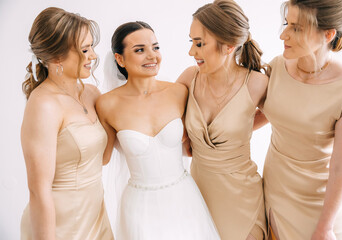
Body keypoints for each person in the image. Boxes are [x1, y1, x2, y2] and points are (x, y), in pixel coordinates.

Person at [96, 21, 220, 240]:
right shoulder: (107, 105)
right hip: (139, 206)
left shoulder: (178, 92)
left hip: (183, 198)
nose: (152, 56)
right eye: (140, 50)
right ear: (120, 59)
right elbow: (102, 159)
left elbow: (193, 144)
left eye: (155, 47)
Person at [254, 0, 342, 239]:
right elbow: (256, 117)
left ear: (328, 34)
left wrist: (326, 227)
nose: (283, 34)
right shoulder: (277, 68)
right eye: (286, 23)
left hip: (322, 206)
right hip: (276, 195)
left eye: (296, 28)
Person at [176, 0, 270, 239]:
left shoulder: (256, 83)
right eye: (192, 42)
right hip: (197, 195)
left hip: (242, 199)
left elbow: (282, 117)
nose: (191, 52)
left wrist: (244, 127)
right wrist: (185, 136)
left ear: (228, 46)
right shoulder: (188, 78)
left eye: (199, 43)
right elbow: (166, 118)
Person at [20, 7, 113, 240]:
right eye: (84, 49)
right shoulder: (43, 105)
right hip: (60, 225)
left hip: (96, 217)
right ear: (56, 57)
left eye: (92, 46)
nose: (93, 55)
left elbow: (103, 158)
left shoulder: (92, 93)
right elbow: (38, 190)